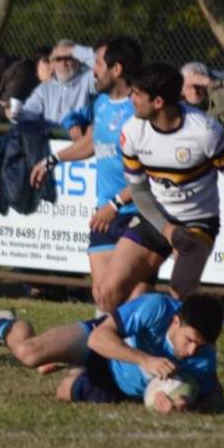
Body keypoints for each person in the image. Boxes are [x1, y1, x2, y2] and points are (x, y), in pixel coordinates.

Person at [96, 63, 224, 315]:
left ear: (158, 102)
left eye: (137, 94)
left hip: (197, 222)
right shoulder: (132, 132)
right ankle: (123, 339)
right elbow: (139, 190)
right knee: (107, 294)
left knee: (179, 294)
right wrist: (166, 229)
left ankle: (197, 329)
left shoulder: (205, 132)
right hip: (155, 218)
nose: (131, 99)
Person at [0, 292, 224, 413]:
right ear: (176, 322)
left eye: (201, 345)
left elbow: (211, 395)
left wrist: (180, 402)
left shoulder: (204, 357)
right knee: (28, 353)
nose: (192, 350)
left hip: (118, 385)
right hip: (105, 344)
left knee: (62, 393)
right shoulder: (155, 308)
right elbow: (98, 338)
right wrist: (145, 359)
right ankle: (3, 323)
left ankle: (72, 367)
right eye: (190, 340)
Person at [30, 37, 149, 309]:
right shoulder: (102, 102)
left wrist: (115, 204)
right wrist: (52, 160)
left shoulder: (140, 109)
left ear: (117, 69)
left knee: (133, 298)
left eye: (98, 63)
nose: (93, 69)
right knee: (103, 295)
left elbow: (149, 173)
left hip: (138, 212)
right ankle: (106, 337)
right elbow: (92, 142)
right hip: (105, 212)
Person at [18, 39, 95, 137]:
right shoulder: (44, 89)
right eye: (58, 59)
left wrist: (73, 50)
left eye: (68, 58)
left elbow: (104, 64)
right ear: (53, 63)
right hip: (49, 140)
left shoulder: (88, 80)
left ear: (78, 60)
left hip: (79, 141)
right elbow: (28, 113)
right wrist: (16, 114)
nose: (63, 64)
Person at [180, 62, 224, 136]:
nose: (195, 91)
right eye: (189, 87)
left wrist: (209, 83)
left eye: (199, 86)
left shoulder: (219, 101)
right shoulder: (179, 107)